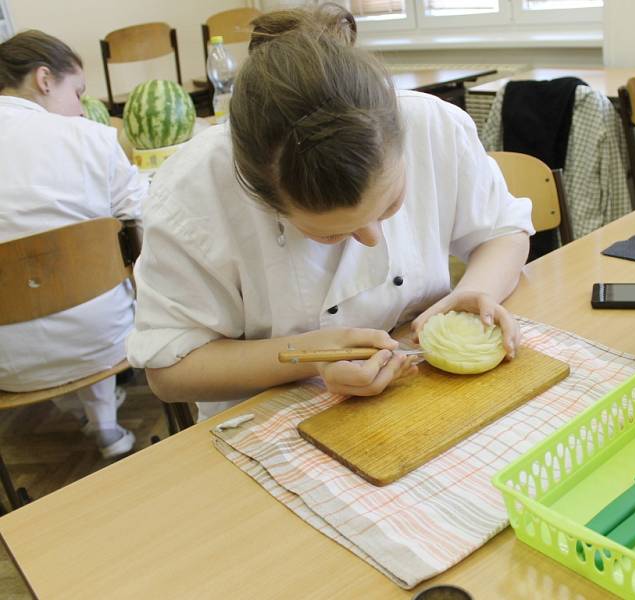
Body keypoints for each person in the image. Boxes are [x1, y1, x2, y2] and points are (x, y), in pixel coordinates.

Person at [127, 7, 533, 420]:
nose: (374, 237)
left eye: (391, 204)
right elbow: (170, 369)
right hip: (271, 417)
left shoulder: (431, 125)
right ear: (262, 199)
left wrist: (477, 290)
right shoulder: (194, 192)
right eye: (330, 235)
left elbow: (504, 231)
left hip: (423, 393)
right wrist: (309, 357)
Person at [0, 30, 148, 458]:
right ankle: (104, 423)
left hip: (5, 365)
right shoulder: (89, 137)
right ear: (45, 79)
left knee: (44, 284)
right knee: (92, 278)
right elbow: (144, 219)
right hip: (104, 340)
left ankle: (90, 415)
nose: (81, 107)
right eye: (78, 92)